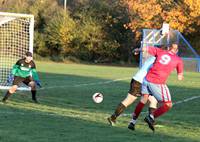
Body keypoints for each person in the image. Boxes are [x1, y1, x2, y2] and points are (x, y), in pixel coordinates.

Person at [131, 43, 184, 132]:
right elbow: (179, 77)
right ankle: (151, 117)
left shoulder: (160, 51)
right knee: (168, 104)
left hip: (146, 80)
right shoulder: (178, 60)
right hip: (157, 82)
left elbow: (144, 48)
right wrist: (180, 76)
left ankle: (132, 122)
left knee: (143, 100)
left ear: (169, 48)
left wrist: (137, 50)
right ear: (177, 50)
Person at [107, 56, 158, 129]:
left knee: (153, 100)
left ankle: (151, 120)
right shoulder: (157, 61)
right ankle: (113, 118)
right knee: (129, 100)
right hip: (141, 82)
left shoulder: (152, 57)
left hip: (137, 80)